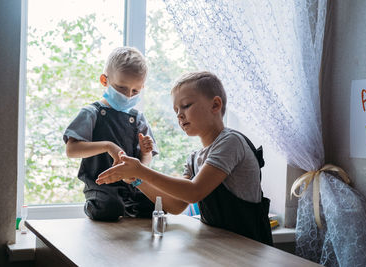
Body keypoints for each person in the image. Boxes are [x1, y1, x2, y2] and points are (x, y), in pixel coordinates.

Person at [96, 71, 273, 245]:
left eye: (186, 105)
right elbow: (176, 206)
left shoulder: (231, 142)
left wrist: (141, 170)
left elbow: (194, 192)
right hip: (221, 246)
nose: (179, 115)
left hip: (249, 247)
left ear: (215, 105)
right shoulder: (194, 158)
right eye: (176, 110)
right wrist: (137, 179)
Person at [63, 47, 158, 221]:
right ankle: (93, 205)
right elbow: (71, 150)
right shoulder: (92, 113)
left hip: (132, 184)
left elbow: (147, 158)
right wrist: (108, 146)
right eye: (121, 88)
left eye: (135, 91)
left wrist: (145, 153)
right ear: (104, 80)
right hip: (101, 185)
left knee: (156, 205)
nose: (128, 96)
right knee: (110, 208)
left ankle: (129, 209)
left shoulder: (138, 119)